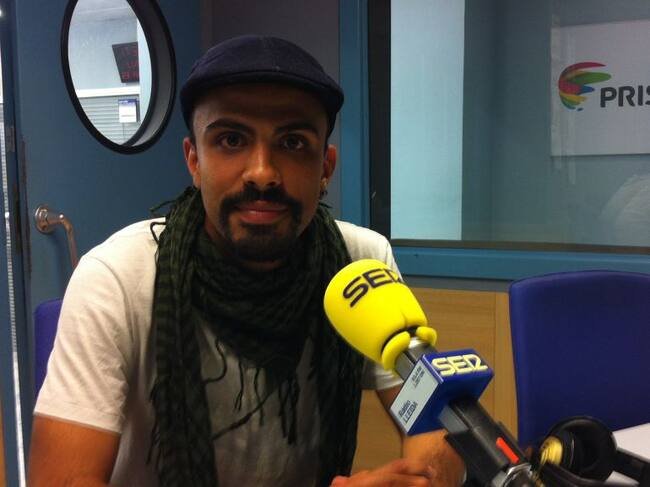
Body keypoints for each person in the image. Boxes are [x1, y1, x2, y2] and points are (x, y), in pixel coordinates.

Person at [27, 35, 464, 487]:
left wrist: (424, 478)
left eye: (292, 142)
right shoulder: (115, 278)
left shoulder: (361, 265)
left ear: (325, 167)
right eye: (231, 140)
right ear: (194, 161)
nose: (262, 172)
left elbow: (439, 425)